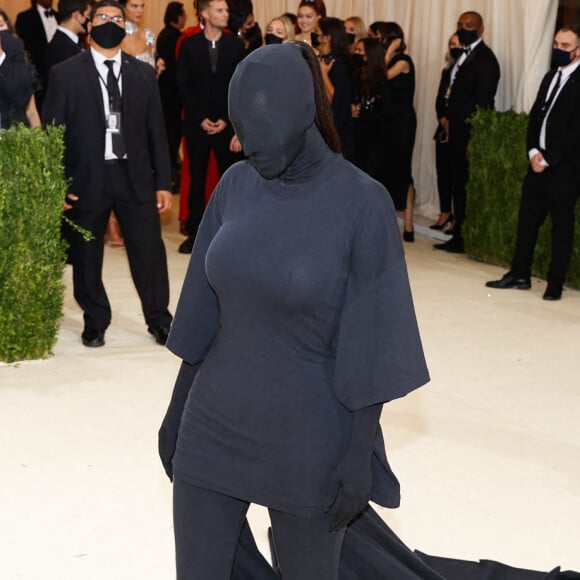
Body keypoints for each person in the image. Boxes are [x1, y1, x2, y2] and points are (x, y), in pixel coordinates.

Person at [159, 41, 429, 580]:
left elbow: (374, 339)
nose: (240, 143)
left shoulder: (361, 202)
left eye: (254, 131)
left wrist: (359, 454)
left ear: (301, 115)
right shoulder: (236, 185)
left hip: (310, 440)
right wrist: (175, 416)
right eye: (238, 127)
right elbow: (201, 319)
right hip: (212, 427)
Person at [43, 0, 173, 347]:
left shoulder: (143, 75)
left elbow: (156, 132)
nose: (111, 22)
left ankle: (159, 318)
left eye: (118, 18)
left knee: (149, 252)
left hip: (134, 176)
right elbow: (52, 135)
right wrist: (57, 185)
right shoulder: (65, 74)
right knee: (86, 255)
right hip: (86, 178)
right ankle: (95, 320)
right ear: (89, 24)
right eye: (103, 17)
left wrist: (163, 182)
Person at [486, 26, 580, 301]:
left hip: (565, 170)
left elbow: (575, 130)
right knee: (527, 220)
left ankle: (555, 283)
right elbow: (536, 118)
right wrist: (532, 152)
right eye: (556, 44)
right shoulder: (551, 76)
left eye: (565, 46)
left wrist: (549, 158)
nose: (558, 49)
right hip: (537, 162)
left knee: (561, 227)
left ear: (577, 50)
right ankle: (519, 273)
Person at [176, 0, 243, 254]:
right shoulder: (189, 45)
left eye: (226, 10)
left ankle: (230, 234)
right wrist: (199, 117)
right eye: (220, 10)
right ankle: (194, 234)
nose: (226, 14)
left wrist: (226, 118)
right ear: (204, 14)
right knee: (197, 180)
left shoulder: (236, 46)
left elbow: (239, 85)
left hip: (227, 126)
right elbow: (182, 86)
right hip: (197, 125)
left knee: (229, 181)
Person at [434, 10, 500, 253]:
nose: (464, 28)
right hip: (455, 131)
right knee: (455, 182)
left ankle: (463, 236)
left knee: (464, 184)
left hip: (468, 134)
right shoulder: (463, 55)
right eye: (460, 24)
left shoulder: (485, 59)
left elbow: (483, 103)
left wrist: (475, 138)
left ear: (481, 29)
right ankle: (457, 233)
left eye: (469, 25)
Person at [382, 22, 417, 242]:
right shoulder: (388, 59)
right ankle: (389, 221)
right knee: (388, 169)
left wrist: (388, 52)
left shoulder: (403, 61)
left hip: (403, 121)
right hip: (387, 120)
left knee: (404, 170)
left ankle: (409, 224)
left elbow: (382, 76)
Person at [431, 32, 464, 232]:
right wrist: (443, 119)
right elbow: (439, 100)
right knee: (442, 173)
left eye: (458, 44)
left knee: (456, 175)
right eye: (451, 44)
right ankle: (444, 212)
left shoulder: (467, 72)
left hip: (459, 130)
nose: (454, 47)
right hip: (443, 130)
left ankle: (458, 219)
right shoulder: (447, 72)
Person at [156, 0, 186, 193]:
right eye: (183, 15)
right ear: (177, 16)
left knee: (168, 136)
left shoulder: (162, 34)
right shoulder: (176, 37)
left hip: (162, 92)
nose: (185, 19)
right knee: (172, 138)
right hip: (173, 95)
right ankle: (172, 177)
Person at [317, 16, 353, 160]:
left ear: (327, 38)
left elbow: (337, 102)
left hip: (337, 135)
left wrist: (324, 75)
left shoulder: (339, 64)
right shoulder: (324, 60)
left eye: (317, 33)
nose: (314, 37)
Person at [15, 0, 59, 112]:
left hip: (60, 74)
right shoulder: (25, 18)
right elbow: (26, 49)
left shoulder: (60, 16)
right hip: (39, 76)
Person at [45, 0, 90, 76]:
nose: (89, 20)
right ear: (77, 15)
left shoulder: (71, 41)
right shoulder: (60, 47)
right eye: (87, 15)